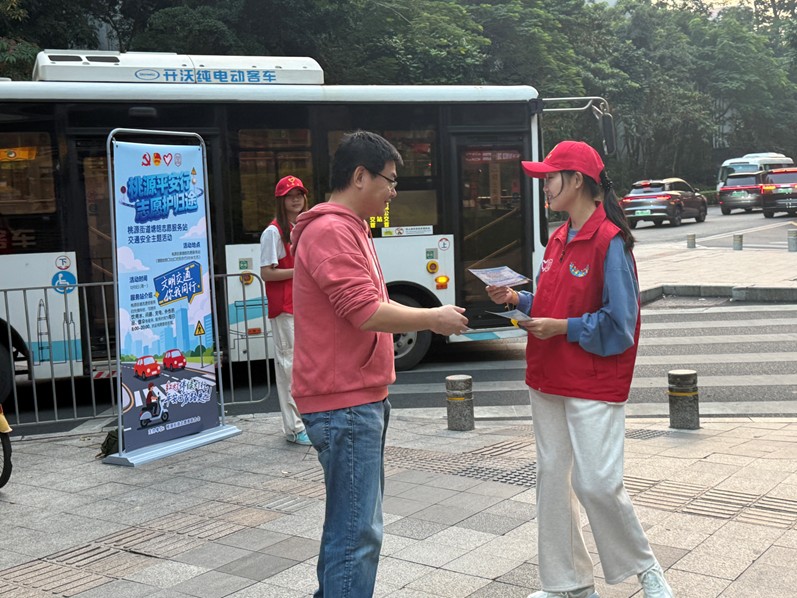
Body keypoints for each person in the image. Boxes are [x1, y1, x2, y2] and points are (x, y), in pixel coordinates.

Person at [487, 141, 673, 598]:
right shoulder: (557, 238)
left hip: (592, 381)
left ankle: (646, 567)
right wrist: (518, 300)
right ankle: (567, 584)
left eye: (549, 178)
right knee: (552, 481)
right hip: (546, 376)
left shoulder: (610, 242)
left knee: (597, 483)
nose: (544, 186)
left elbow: (620, 325)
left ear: (576, 180)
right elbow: (552, 303)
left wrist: (563, 328)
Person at [291, 130, 468, 598]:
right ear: (359, 176)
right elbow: (365, 311)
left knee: (352, 528)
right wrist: (433, 317)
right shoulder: (331, 231)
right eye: (389, 180)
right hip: (344, 403)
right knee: (357, 536)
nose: (393, 191)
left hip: (355, 397)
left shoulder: (350, 227)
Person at [259, 175, 311, 446]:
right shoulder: (273, 232)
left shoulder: (302, 227)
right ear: (281, 200)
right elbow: (266, 273)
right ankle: (294, 428)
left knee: (302, 366)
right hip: (285, 308)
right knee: (289, 367)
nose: (296, 199)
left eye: (299, 194)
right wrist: (299, 271)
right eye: (290, 195)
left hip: (303, 305)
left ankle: (305, 422)